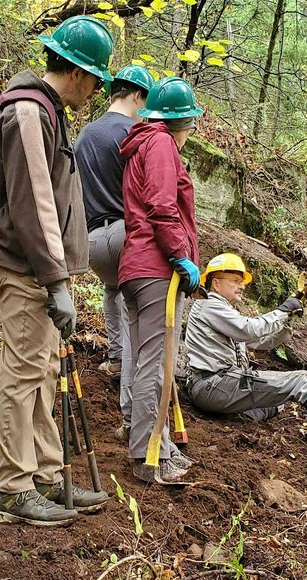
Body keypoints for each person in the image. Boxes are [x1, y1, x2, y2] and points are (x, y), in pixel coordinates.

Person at [0, 16, 114, 526]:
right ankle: (11, 488)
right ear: (80, 73)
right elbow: (34, 202)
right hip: (25, 269)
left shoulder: (47, 112)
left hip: (39, 272)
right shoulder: (28, 114)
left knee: (43, 372)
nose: (97, 90)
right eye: (96, 80)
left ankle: (43, 476)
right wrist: (56, 281)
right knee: (22, 376)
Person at [185, 253, 307, 455]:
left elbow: (261, 342)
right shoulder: (209, 304)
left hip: (218, 387)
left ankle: (230, 419)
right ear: (216, 283)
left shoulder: (224, 311)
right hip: (213, 384)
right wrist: (282, 311)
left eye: (242, 282)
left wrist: (287, 320)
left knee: (276, 404)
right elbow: (249, 330)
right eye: (235, 281)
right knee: (303, 381)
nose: (242, 286)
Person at [118, 77, 204, 484]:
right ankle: (149, 457)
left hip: (137, 267)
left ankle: (160, 446)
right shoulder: (162, 144)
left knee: (148, 361)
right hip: (155, 268)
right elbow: (162, 205)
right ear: (182, 121)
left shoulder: (143, 142)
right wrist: (181, 256)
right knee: (159, 364)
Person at [76, 64, 155, 442]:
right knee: (133, 316)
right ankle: (129, 409)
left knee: (112, 291)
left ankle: (114, 357)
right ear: (138, 96)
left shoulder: (84, 134)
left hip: (92, 239)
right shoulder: (135, 133)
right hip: (125, 232)